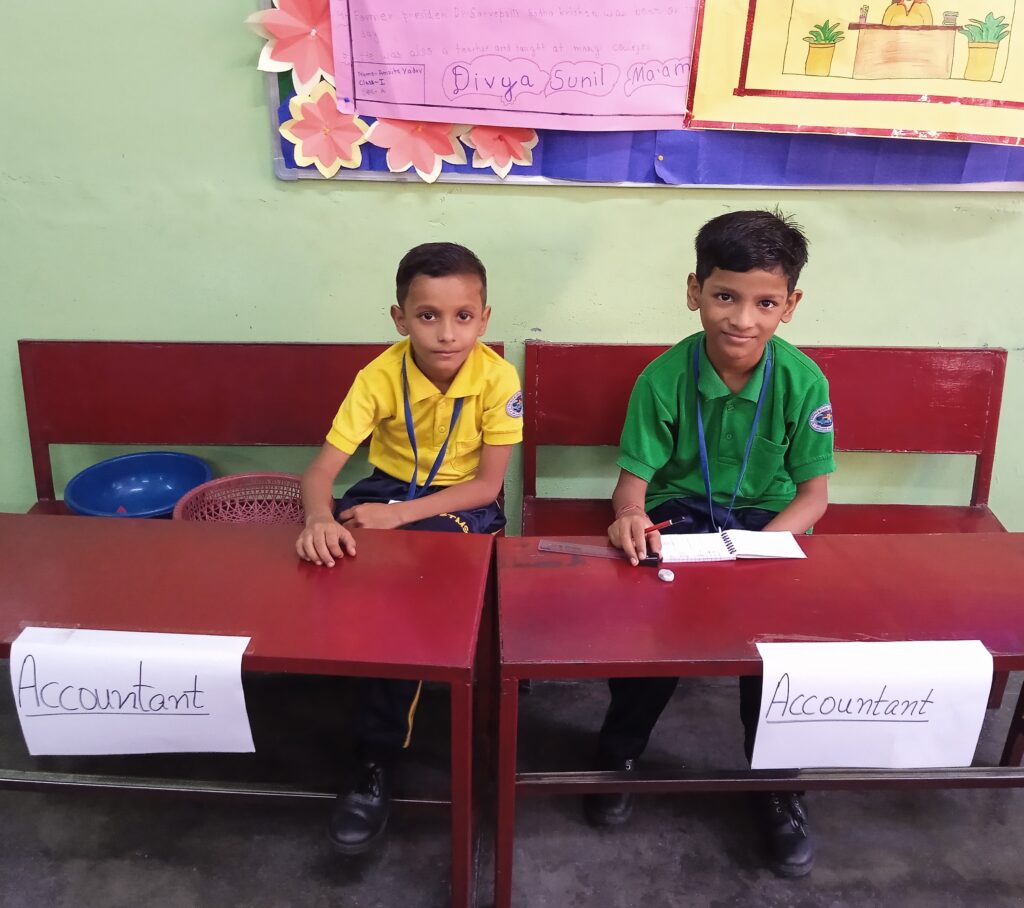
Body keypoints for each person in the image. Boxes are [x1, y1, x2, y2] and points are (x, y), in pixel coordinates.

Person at [592, 209, 836, 879]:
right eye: (725, 296)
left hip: (768, 525)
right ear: (694, 290)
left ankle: (776, 784)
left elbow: (813, 498)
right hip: (681, 517)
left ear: (790, 306)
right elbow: (631, 490)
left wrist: (757, 547)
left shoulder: (804, 382)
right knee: (653, 630)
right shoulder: (663, 377)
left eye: (765, 303)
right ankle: (619, 754)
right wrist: (629, 519)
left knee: (780, 649)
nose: (742, 319)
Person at [296, 241, 523, 855]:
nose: (447, 333)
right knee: (334, 555)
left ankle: (374, 756)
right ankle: (362, 675)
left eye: (463, 316)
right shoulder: (378, 376)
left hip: (462, 506)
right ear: (400, 319)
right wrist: (317, 519)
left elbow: (487, 486)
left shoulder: (498, 379)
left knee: (410, 583)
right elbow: (320, 473)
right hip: (388, 490)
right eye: (428, 316)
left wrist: (397, 517)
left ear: (484, 318)